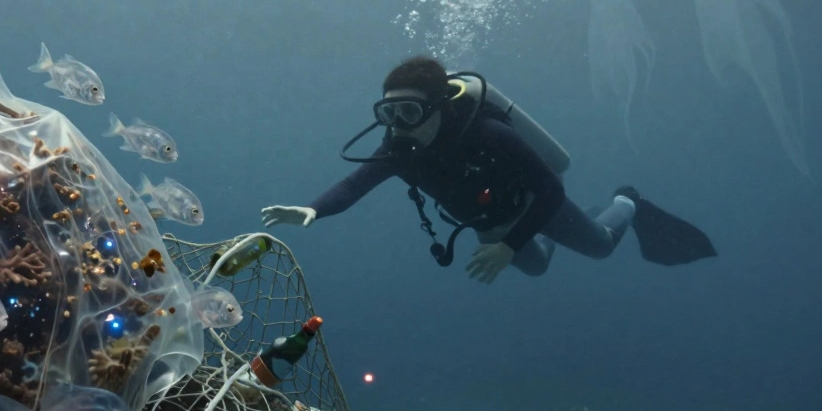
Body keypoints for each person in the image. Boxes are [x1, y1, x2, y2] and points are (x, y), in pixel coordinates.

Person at [260, 56, 715, 283]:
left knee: (599, 247)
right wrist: (312, 211)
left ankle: (625, 201)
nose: (398, 128)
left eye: (410, 114)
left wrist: (508, 246)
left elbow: (551, 188)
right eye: (389, 114)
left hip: (538, 204)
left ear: (438, 107)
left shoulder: (488, 134)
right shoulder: (400, 148)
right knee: (535, 269)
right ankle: (551, 234)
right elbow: (354, 183)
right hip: (486, 219)